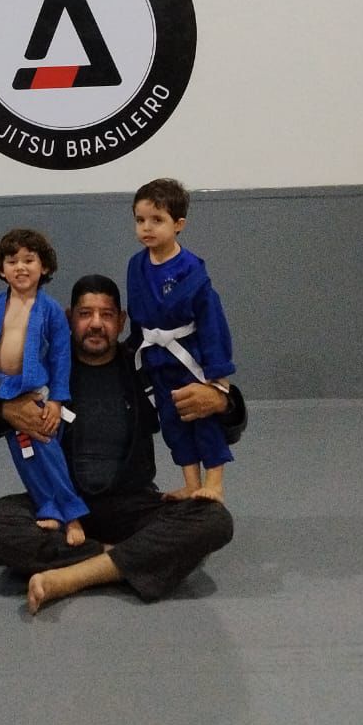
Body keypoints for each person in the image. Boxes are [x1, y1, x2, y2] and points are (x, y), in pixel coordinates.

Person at [0, 275, 245, 614]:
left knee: (214, 519)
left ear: (121, 321)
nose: (95, 324)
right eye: (84, 314)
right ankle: (123, 561)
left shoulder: (146, 367)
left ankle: (73, 574)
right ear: (68, 318)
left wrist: (222, 402)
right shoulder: (42, 369)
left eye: (106, 315)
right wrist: (3, 410)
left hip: (133, 506)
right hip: (60, 507)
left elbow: (227, 426)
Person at [0, 228, 87, 546]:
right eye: (12, 261)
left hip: (36, 394)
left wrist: (57, 400)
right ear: (1, 270)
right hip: (3, 392)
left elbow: (60, 357)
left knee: (48, 450)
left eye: (29, 260)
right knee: (26, 457)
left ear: (44, 267)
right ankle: (49, 507)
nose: (20, 267)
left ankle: (73, 515)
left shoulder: (50, 310)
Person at [127, 178, 235, 502]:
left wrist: (218, 370)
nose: (147, 227)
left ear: (179, 224)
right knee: (173, 421)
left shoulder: (191, 269)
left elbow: (210, 319)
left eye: (157, 220)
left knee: (203, 417)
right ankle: (190, 483)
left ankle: (214, 482)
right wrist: (134, 350)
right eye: (140, 220)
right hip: (156, 358)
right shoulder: (136, 266)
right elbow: (138, 313)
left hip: (190, 356)